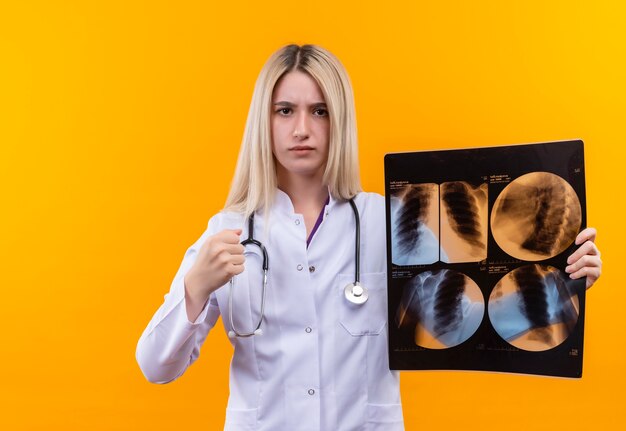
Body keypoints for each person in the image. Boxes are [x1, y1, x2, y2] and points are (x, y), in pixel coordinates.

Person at [136, 44, 602, 431]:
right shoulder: (230, 230)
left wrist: (561, 278)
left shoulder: (392, 220)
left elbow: (481, 292)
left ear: (339, 120)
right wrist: (194, 289)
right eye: (285, 111)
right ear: (265, 120)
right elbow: (156, 366)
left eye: (320, 110)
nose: (302, 128)